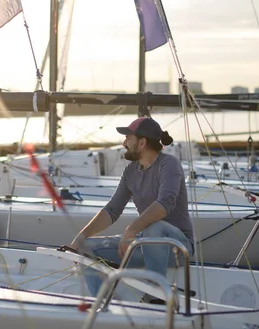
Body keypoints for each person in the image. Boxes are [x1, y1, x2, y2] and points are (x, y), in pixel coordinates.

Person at [70, 116, 194, 297]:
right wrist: (80, 238)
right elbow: (112, 210)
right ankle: (103, 305)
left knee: (155, 226)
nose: (123, 143)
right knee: (86, 249)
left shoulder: (169, 164)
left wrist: (131, 230)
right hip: (145, 244)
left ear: (142, 142)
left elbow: (165, 203)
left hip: (177, 247)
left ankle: (155, 297)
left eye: (128, 138)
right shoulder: (130, 171)